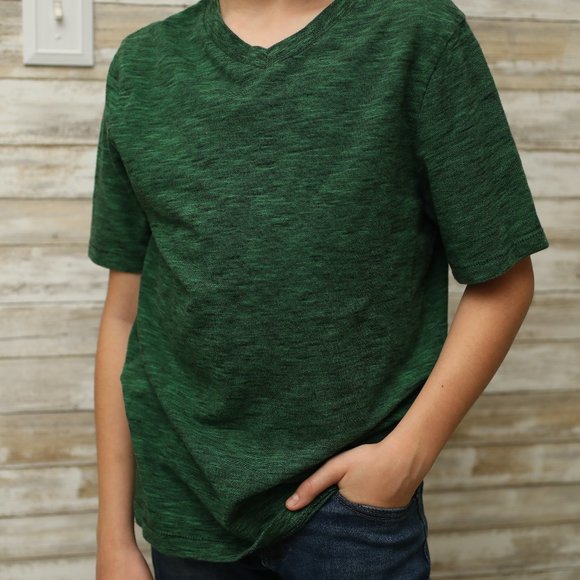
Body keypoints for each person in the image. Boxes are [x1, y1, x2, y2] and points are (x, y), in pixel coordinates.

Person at [90, 0, 550, 578]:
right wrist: (112, 536)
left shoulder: (419, 36)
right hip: (185, 508)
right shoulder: (143, 64)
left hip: (350, 517)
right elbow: (124, 314)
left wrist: (403, 459)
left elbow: (503, 278)